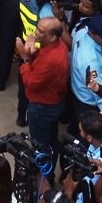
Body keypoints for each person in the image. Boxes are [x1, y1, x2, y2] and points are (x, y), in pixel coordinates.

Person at [18, 16, 69, 150]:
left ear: (52, 37)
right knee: (51, 140)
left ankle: (44, 169)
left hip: (43, 108)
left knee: (40, 145)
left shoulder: (51, 60)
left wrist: (25, 59)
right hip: (54, 102)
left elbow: (31, 82)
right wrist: (33, 53)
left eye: (40, 31)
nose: (35, 33)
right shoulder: (59, 46)